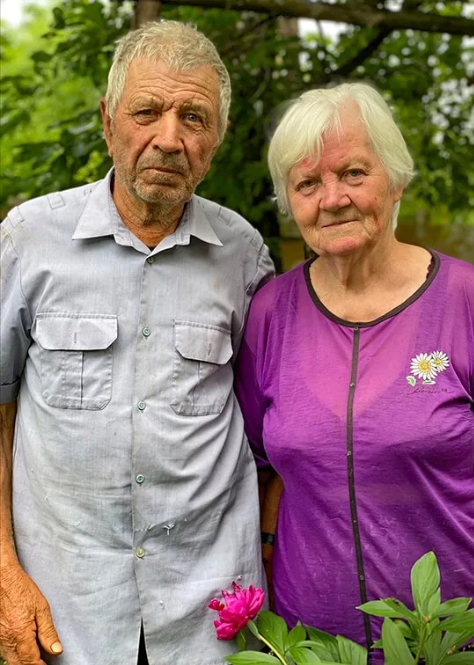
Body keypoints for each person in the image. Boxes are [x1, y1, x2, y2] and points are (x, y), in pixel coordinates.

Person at [0, 20, 273, 665]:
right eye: (147, 112)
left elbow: (277, 423)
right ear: (107, 121)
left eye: (194, 118)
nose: (169, 139)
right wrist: (2, 571)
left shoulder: (243, 255)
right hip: (63, 608)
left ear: (218, 138)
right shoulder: (28, 240)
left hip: (211, 614)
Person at [234, 82, 474, 663]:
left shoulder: (465, 299)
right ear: (289, 202)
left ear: (395, 179)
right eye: (307, 184)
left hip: (451, 641)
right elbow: (261, 470)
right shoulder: (270, 312)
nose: (332, 198)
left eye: (353, 173)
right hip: (312, 647)